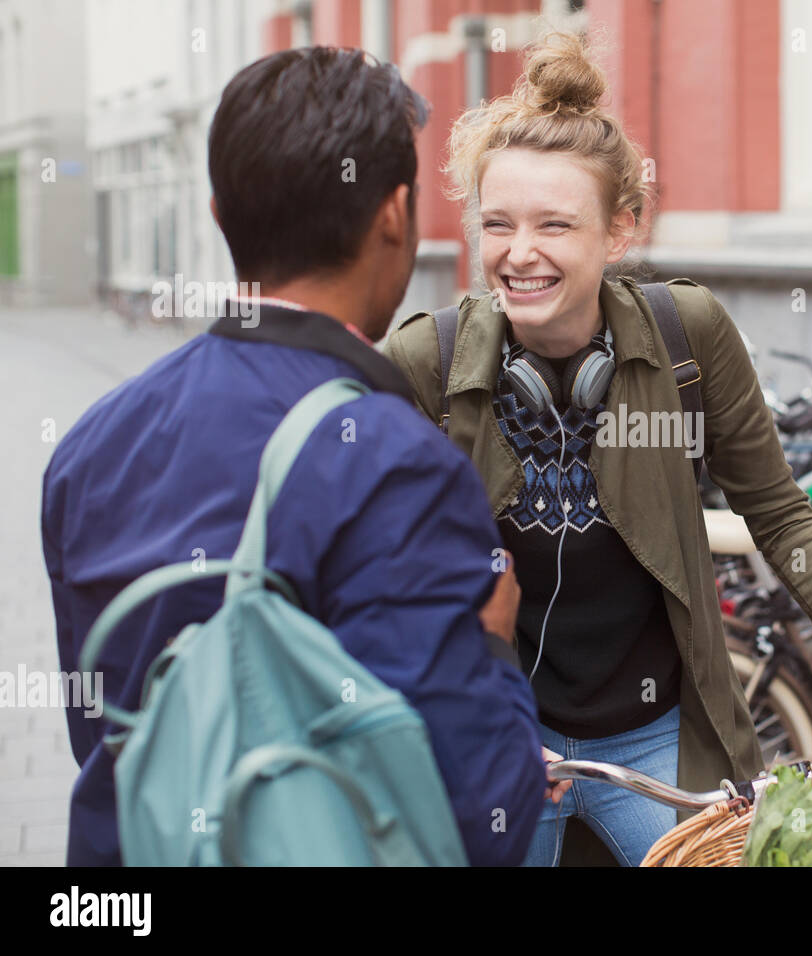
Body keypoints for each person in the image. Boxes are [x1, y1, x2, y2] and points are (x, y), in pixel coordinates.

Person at [382, 31, 812, 868]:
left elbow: (778, 511)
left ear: (618, 232)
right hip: (503, 737)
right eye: (496, 224)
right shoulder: (425, 363)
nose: (518, 253)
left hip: (657, 738)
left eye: (554, 225)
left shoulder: (689, 336)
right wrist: (468, 716)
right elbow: (382, 577)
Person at [41, 47, 546, 867]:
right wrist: (492, 646)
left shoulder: (91, 445)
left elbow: (99, 727)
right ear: (394, 214)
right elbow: (477, 812)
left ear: (216, 212)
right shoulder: (398, 463)